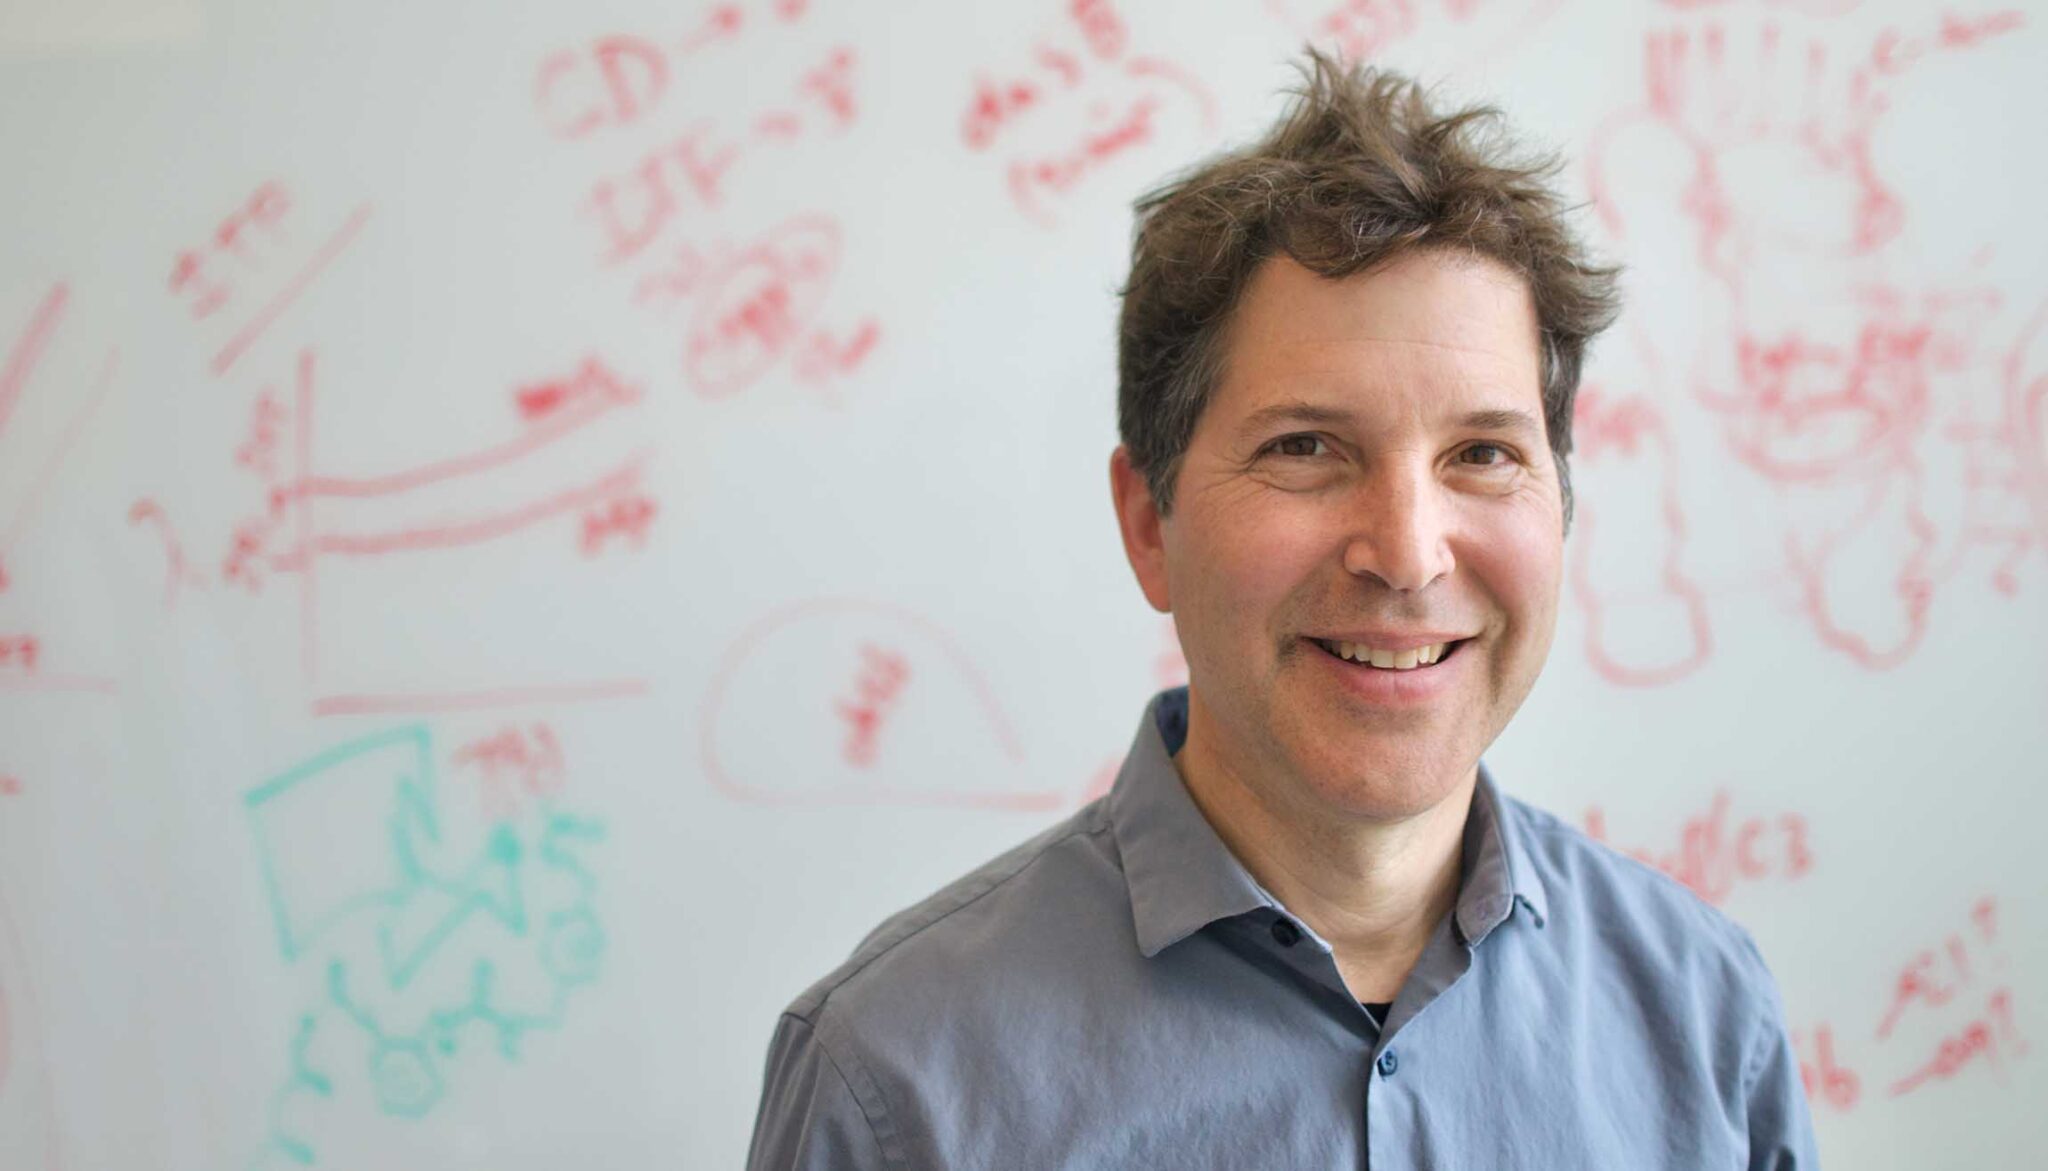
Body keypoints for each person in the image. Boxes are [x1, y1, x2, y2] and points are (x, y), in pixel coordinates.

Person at [746, 51, 1819, 1170]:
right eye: (1303, 448)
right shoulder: (895, 1080)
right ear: (1148, 522)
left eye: (1482, 453)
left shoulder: (1703, 1019)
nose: (1406, 554)